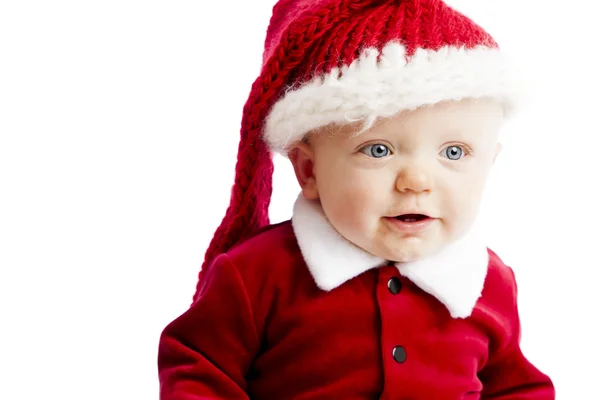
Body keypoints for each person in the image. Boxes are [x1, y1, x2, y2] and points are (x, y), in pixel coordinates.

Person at [157, 0, 555, 398]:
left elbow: (516, 385)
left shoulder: (485, 279)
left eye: (454, 153)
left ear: (490, 164)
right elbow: (199, 369)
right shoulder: (258, 272)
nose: (416, 181)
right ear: (309, 170)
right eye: (378, 150)